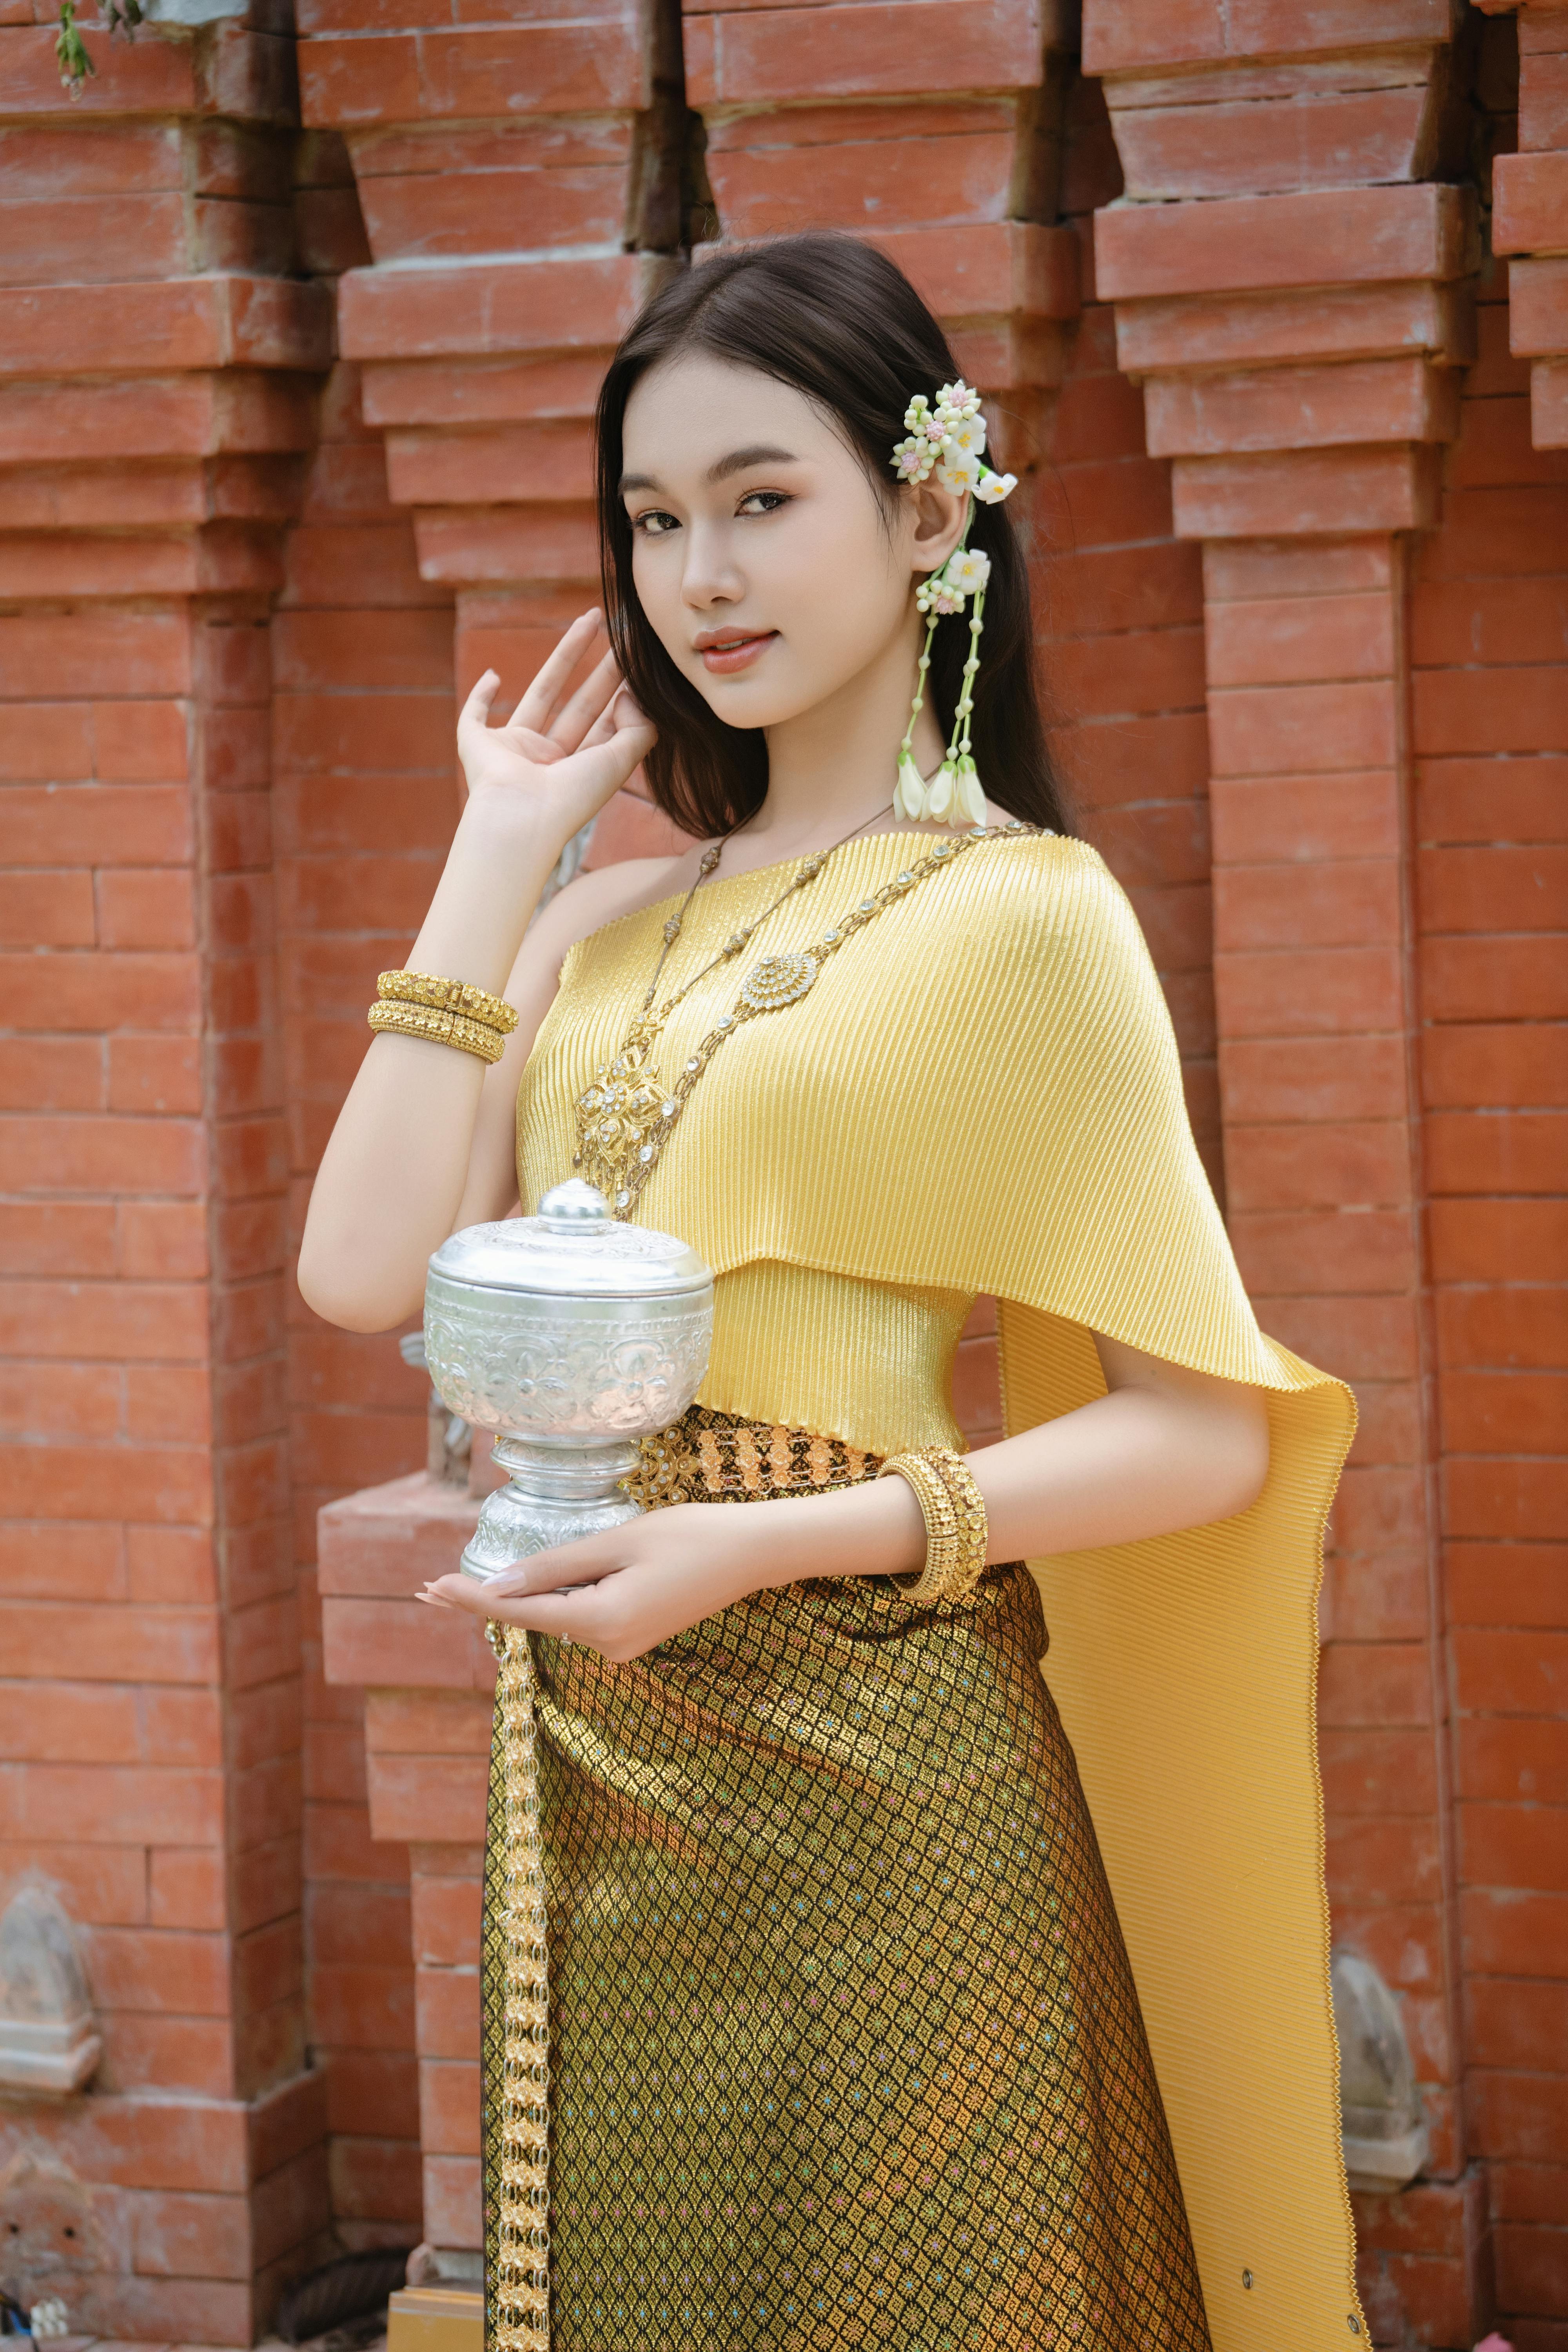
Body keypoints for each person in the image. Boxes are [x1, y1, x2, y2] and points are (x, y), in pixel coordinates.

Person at [300, 235, 1361, 2352]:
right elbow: (354, 1271)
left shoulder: (1027, 918)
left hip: (890, 1753)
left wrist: (763, 1541)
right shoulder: (594, 916)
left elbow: (1205, 1426)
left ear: (929, 512)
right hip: (603, 1763)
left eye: (762, 499)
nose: (702, 574)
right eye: (655, 519)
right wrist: (501, 847)